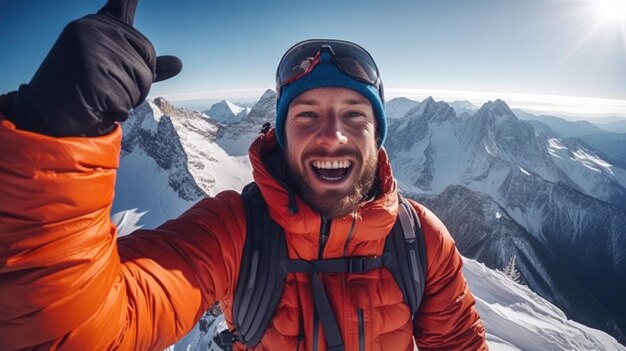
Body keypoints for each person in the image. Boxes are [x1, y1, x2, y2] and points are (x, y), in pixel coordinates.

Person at [0, 0, 487, 350]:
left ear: (377, 133)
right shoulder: (235, 231)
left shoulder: (419, 240)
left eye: (355, 115)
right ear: (282, 134)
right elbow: (80, 331)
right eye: (307, 115)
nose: (332, 135)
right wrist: (59, 135)